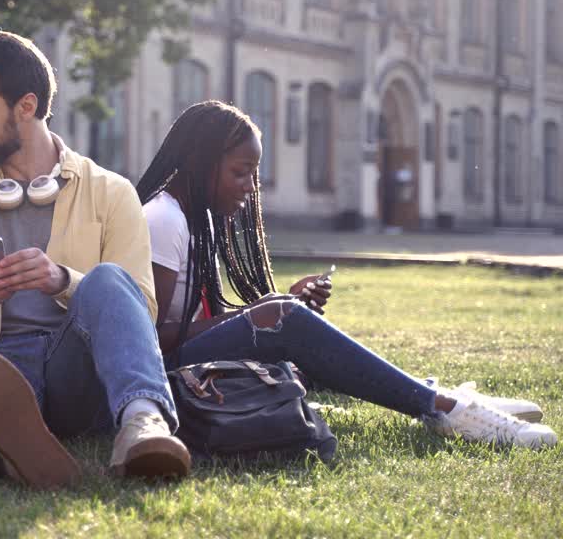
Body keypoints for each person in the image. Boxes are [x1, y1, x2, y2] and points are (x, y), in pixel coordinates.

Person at [136, 100, 555, 450]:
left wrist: (264, 308)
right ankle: (446, 408)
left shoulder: (196, 218)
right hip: (165, 379)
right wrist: (263, 313)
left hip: (187, 363)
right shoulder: (163, 219)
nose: (250, 186)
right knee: (283, 317)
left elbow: (199, 317)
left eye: (254, 174)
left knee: (290, 316)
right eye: (240, 172)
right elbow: (150, 340)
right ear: (201, 162)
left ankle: (436, 393)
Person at [0, 31, 190, 490]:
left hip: (78, 369)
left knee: (107, 279)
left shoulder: (111, 193)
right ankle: (14, 458)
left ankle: (143, 426)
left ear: (26, 107)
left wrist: (64, 281)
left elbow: (139, 315)